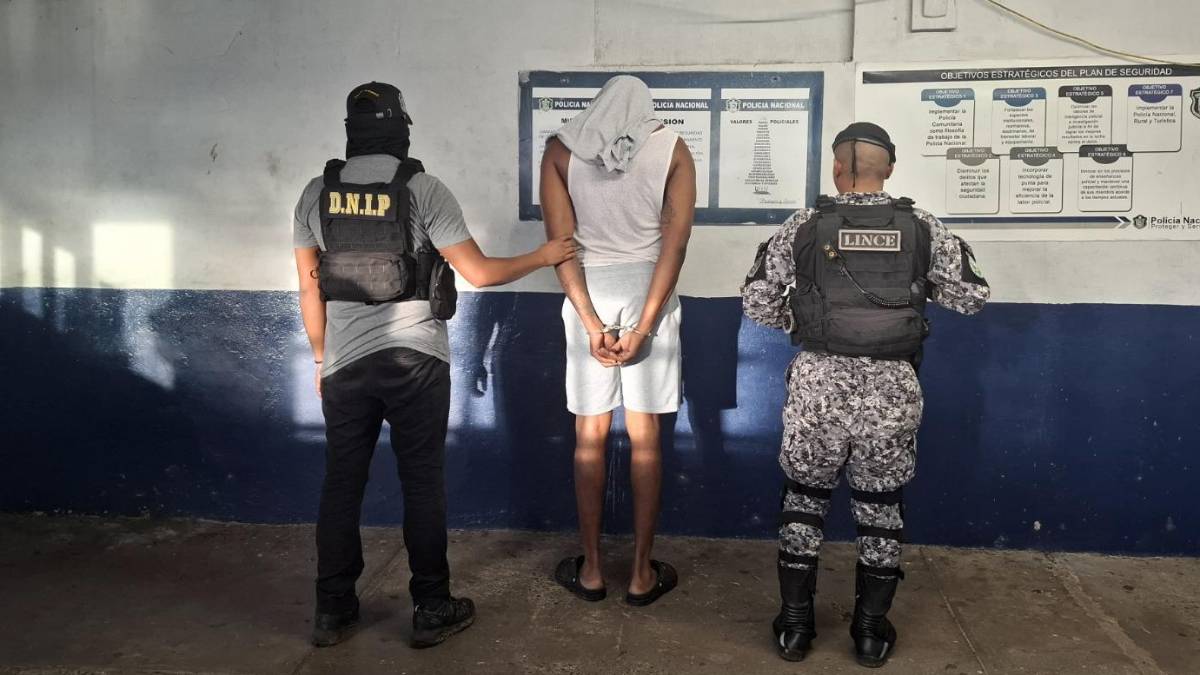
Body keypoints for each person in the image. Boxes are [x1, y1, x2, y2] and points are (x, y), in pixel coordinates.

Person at [293, 81, 576, 649]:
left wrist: (322, 358)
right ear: (401, 129)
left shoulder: (316, 193)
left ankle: (332, 610)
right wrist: (544, 255)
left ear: (351, 132)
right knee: (421, 481)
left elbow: (308, 287)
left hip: (345, 365)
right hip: (415, 360)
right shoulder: (422, 189)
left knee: (341, 483)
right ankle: (431, 606)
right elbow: (480, 274)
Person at [741, 122, 990, 666]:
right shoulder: (922, 225)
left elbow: (757, 300)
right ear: (890, 169)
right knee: (880, 506)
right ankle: (871, 632)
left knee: (804, 500)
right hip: (891, 389)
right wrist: (917, 290)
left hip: (818, 387)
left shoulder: (805, 224)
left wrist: (803, 323)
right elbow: (971, 298)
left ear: (837, 167)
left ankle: (795, 627)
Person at [539, 75, 696, 606]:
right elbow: (674, 248)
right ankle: (641, 574)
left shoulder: (561, 150)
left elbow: (561, 245)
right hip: (650, 293)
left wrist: (590, 323)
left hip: (590, 293)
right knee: (646, 438)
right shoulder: (672, 148)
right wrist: (646, 325)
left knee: (589, 436)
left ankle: (590, 570)